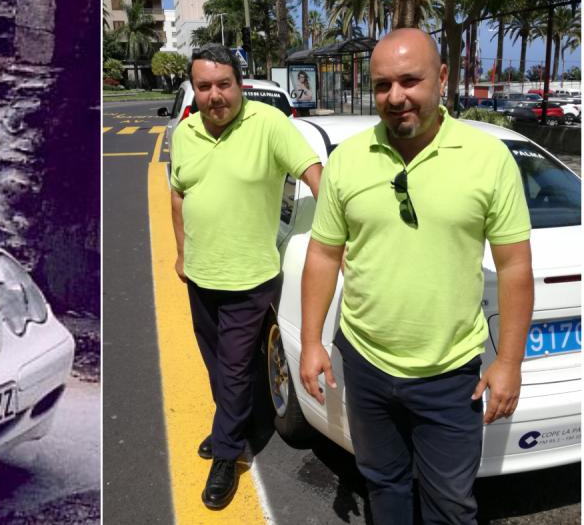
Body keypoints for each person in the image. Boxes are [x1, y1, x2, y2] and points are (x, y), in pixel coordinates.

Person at [299, 28, 532, 524]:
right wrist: (315, 342)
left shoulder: (487, 159)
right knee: (384, 486)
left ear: (442, 78)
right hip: (365, 365)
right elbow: (323, 254)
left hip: (450, 376)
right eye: (383, 84)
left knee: (450, 505)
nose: (396, 96)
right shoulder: (347, 161)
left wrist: (510, 360)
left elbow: (514, 265)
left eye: (410, 80)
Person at [168, 44, 323, 509]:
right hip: (200, 275)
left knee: (233, 368)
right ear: (194, 90)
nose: (215, 95)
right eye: (204, 86)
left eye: (223, 84)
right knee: (218, 364)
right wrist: (180, 253)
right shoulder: (186, 131)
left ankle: (227, 453)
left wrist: (342, 232)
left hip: (249, 277)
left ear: (240, 83)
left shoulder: (269, 125)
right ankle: (238, 421)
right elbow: (177, 195)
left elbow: (316, 174)